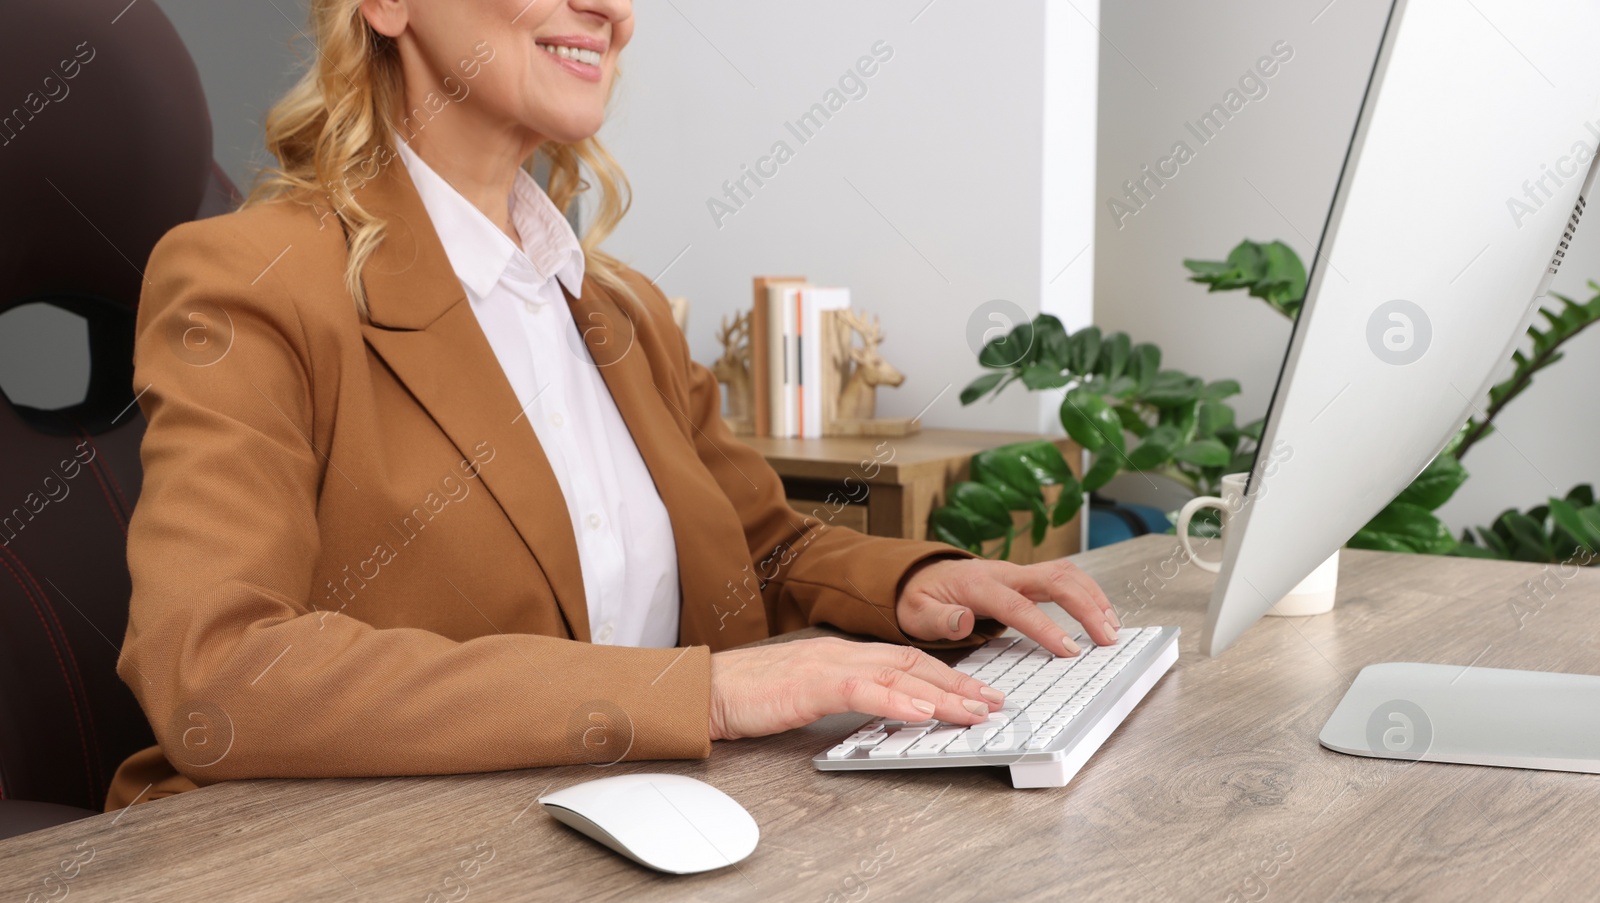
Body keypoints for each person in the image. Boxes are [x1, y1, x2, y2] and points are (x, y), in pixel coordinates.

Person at [104, 0, 1120, 809]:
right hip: (335, 883)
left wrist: (916, 585)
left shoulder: (619, 306)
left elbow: (756, 548)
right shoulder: (251, 279)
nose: (610, 9)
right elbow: (218, 673)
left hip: (618, 836)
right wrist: (700, 693)